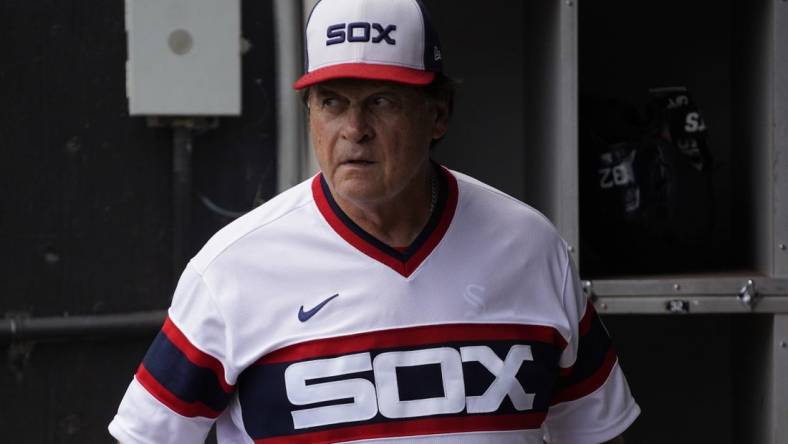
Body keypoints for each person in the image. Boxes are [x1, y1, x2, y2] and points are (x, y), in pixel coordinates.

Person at [109, 0, 640, 442]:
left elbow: (597, 430)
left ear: (438, 114)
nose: (353, 129)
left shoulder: (530, 246)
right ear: (310, 114)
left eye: (382, 101)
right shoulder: (232, 269)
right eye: (332, 102)